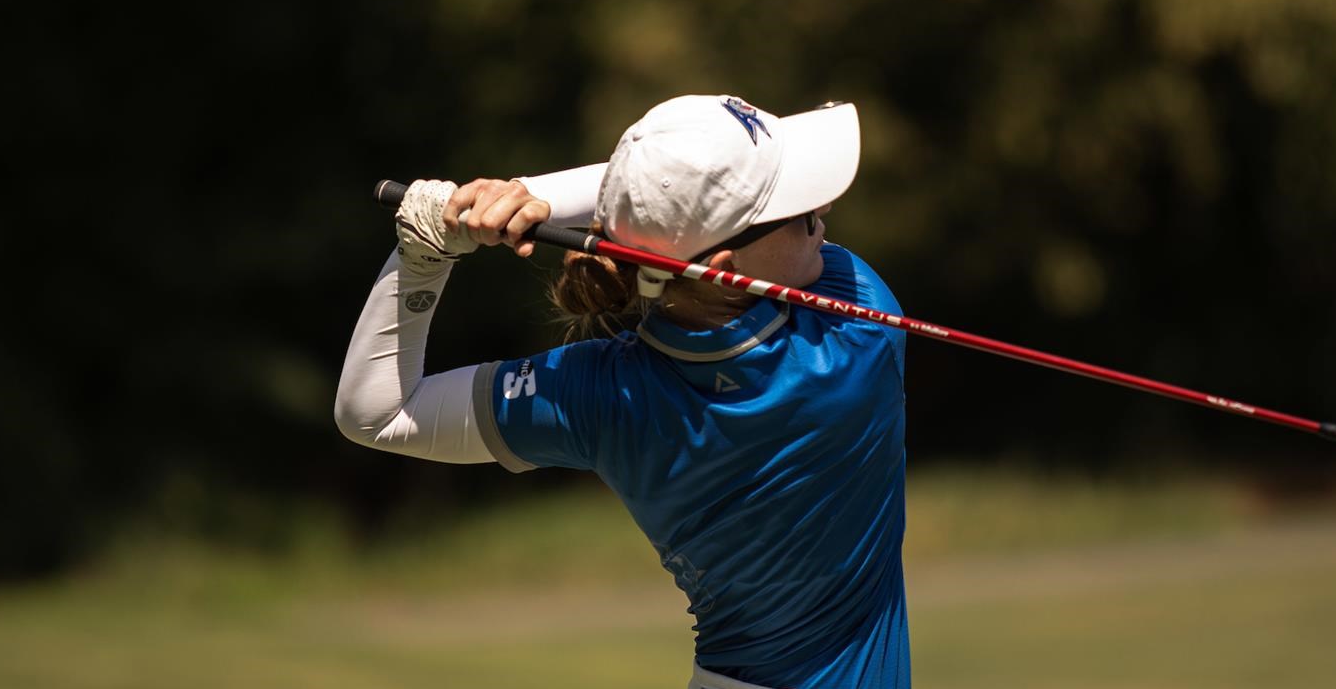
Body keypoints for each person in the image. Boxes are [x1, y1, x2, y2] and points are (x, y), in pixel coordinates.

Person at [335, 94, 910, 689]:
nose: (823, 214)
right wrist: (531, 192)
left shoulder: (600, 397)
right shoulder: (858, 331)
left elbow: (378, 413)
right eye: (801, 212)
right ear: (726, 269)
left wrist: (426, 253)